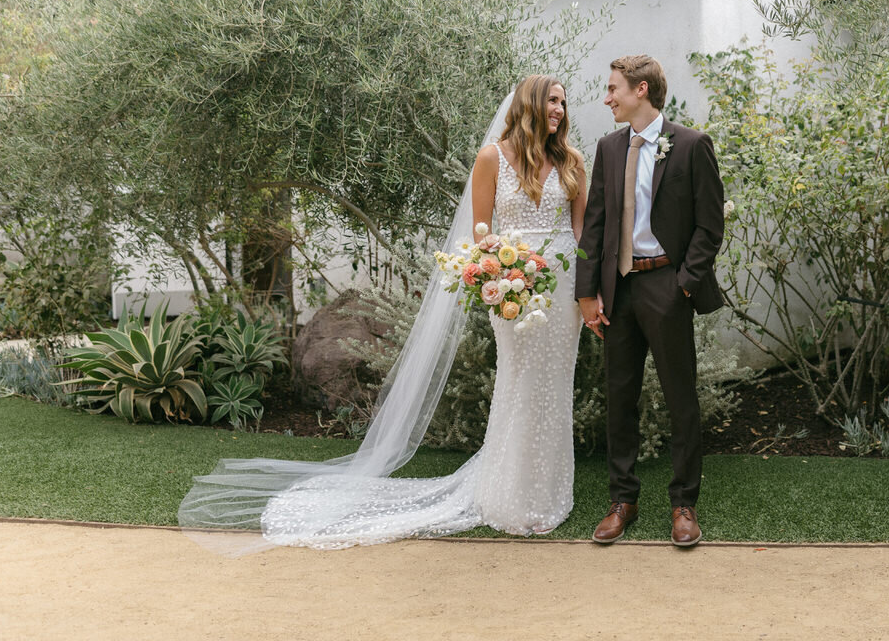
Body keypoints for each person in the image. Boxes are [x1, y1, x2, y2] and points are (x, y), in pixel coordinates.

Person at [178, 75, 585, 552]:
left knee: (554, 387)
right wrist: (499, 275)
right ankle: (512, 497)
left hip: (562, 290)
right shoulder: (492, 158)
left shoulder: (571, 161)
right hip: (514, 289)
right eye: (552, 101)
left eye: (563, 102)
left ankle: (551, 491)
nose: (559, 109)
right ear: (530, 104)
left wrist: (582, 286)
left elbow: (579, 233)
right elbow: (481, 233)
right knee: (518, 383)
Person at [575, 55, 724, 548]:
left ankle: (684, 503)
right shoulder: (608, 147)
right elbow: (594, 228)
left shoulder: (691, 145)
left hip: (666, 285)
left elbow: (709, 225)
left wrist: (684, 282)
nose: (607, 97)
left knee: (680, 397)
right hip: (618, 290)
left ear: (641, 90)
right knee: (620, 397)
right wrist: (586, 293)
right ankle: (623, 500)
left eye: (613, 88)